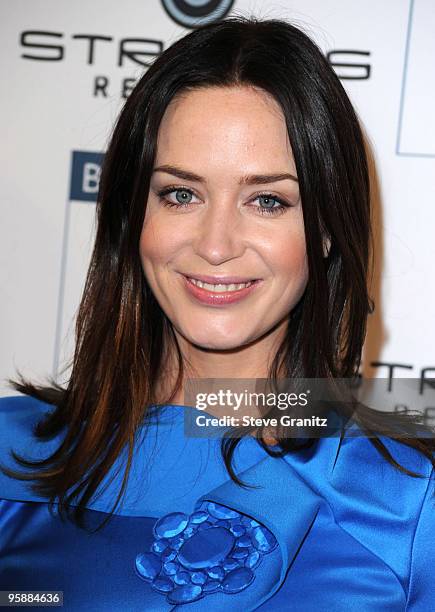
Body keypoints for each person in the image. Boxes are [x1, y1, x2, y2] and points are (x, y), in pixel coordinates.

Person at [1, 16, 434, 611]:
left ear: (328, 229)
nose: (216, 243)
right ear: (135, 217)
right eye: (181, 194)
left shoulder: (406, 504)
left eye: (267, 200)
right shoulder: (12, 456)